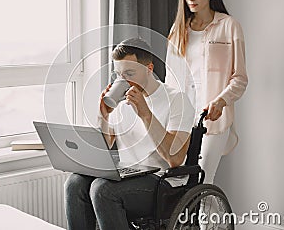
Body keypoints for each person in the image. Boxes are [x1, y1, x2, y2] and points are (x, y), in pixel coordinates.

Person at [64, 38, 194, 230]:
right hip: (128, 173)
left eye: (129, 73)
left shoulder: (177, 100)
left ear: (149, 68)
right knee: (75, 183)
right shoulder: (121, 100)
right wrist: (104, 116)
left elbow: (175, 158)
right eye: (118, 74)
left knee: (103, 190)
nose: (122, 80)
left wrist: (145, 114)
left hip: (162, 181)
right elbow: (105, 147)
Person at [165, 0, 248, 185]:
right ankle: (190, 221)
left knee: (202, 180)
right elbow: (171, 78)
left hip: (212, 117)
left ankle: (207, 220)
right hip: (182, 117)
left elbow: (239, 78)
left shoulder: (229, 26)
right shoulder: (178, 29)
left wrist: (221, 101)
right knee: (178, 183)